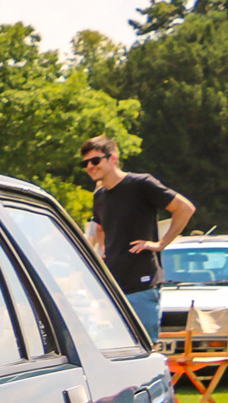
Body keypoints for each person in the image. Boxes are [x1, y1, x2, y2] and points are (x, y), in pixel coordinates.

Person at [81, 136, 195, 341]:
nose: (90, 166)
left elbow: (185, 209)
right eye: (85, 163)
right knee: (115, 349)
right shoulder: (99, 196)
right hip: (112, 287)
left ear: (113, 158)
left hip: (140, 285)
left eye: (95, 160)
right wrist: (102, 251)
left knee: (144, 349)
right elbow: (99, 227)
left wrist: (161, 244)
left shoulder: (141, 184)